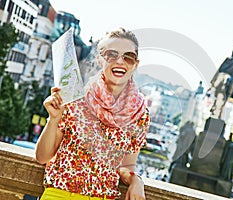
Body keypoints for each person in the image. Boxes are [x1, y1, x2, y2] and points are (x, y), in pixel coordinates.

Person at [35, 28, 150, 200]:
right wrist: (53, 119)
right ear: (99, 60)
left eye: (128, 56)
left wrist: (137, 181)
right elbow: (42, 157)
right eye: (111, 55)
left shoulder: (139, 114)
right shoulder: (74, 98)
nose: (120, 61)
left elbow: (126, 167)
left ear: (135, 64)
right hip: (58, 195)